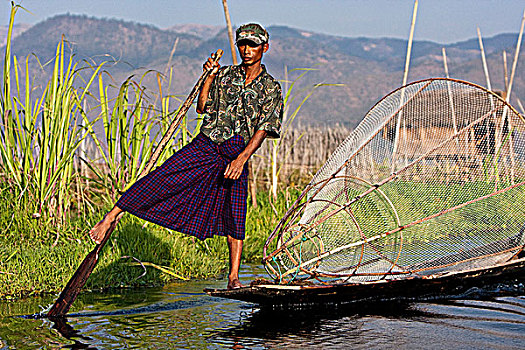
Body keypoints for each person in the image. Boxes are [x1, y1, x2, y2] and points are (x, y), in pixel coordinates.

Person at [89, 23, 283, 290]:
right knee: (163, 176)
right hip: (207, 144)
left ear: (265, 48)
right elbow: (202, 108)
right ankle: (111, 216)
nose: (247, 50)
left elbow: (264, 128)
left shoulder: (270, 87)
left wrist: (241, 160)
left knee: (235, 213)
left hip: (237, 152)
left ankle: (233, 278)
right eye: (242, 44)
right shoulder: (226, 76)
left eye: (253, 45)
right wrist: (209, 78)